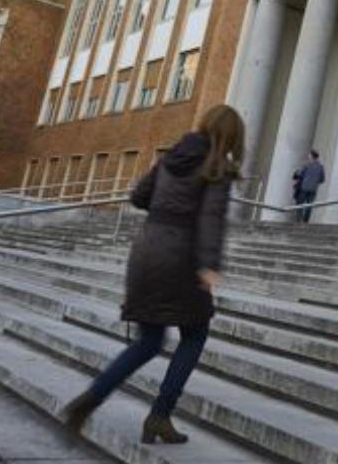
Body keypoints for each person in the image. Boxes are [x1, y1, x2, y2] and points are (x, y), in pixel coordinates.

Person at [61, 105, 244, 444]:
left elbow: (138, 195)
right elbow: (211, 218)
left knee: (149, 340)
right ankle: (160, 415)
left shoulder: (172, 157)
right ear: (232, 137)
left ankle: (90, 400)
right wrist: (209, 264)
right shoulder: (217, 166)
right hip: (182, 259)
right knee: (195, 334)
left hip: (147, 250)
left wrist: (165, 215)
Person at [291, 149, 325, 222]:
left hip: (304, 187)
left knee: (300, 204)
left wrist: (296, 173)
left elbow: (299, 174)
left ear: (312, 156)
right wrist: (314, 182)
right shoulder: (320, 167)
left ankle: (298, 220)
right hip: (313, 189)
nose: (308, 156)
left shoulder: (306, 164)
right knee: (309, 205)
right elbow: (322, 179)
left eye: (309, 155)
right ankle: (305, 221)